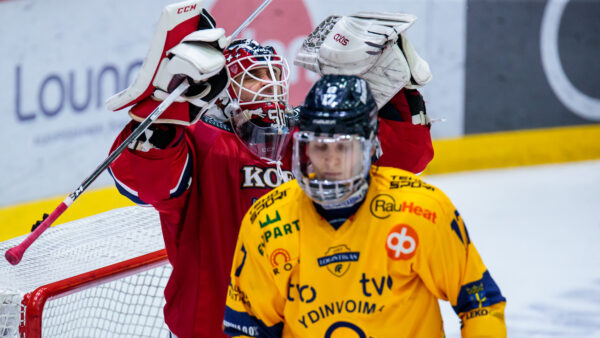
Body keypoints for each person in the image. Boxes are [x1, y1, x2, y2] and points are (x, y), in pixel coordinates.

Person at [106, 3, 433, 337]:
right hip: (214, 326)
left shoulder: (304, 136)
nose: (270, 84)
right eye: (256, 76)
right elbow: (144, 182)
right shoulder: (201, 141)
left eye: (275, 74)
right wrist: (167, 114)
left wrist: (398, 87)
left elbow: (404, 159)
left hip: (307, 321)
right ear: (222, 88)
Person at [223, 75, 506, 337]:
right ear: (304, 148)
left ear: (371, 148)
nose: (331, 160)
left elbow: (480, 304)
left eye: (344, 147)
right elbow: (247, 329)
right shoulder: (268, 221)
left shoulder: (422, 211)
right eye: (321, 146)